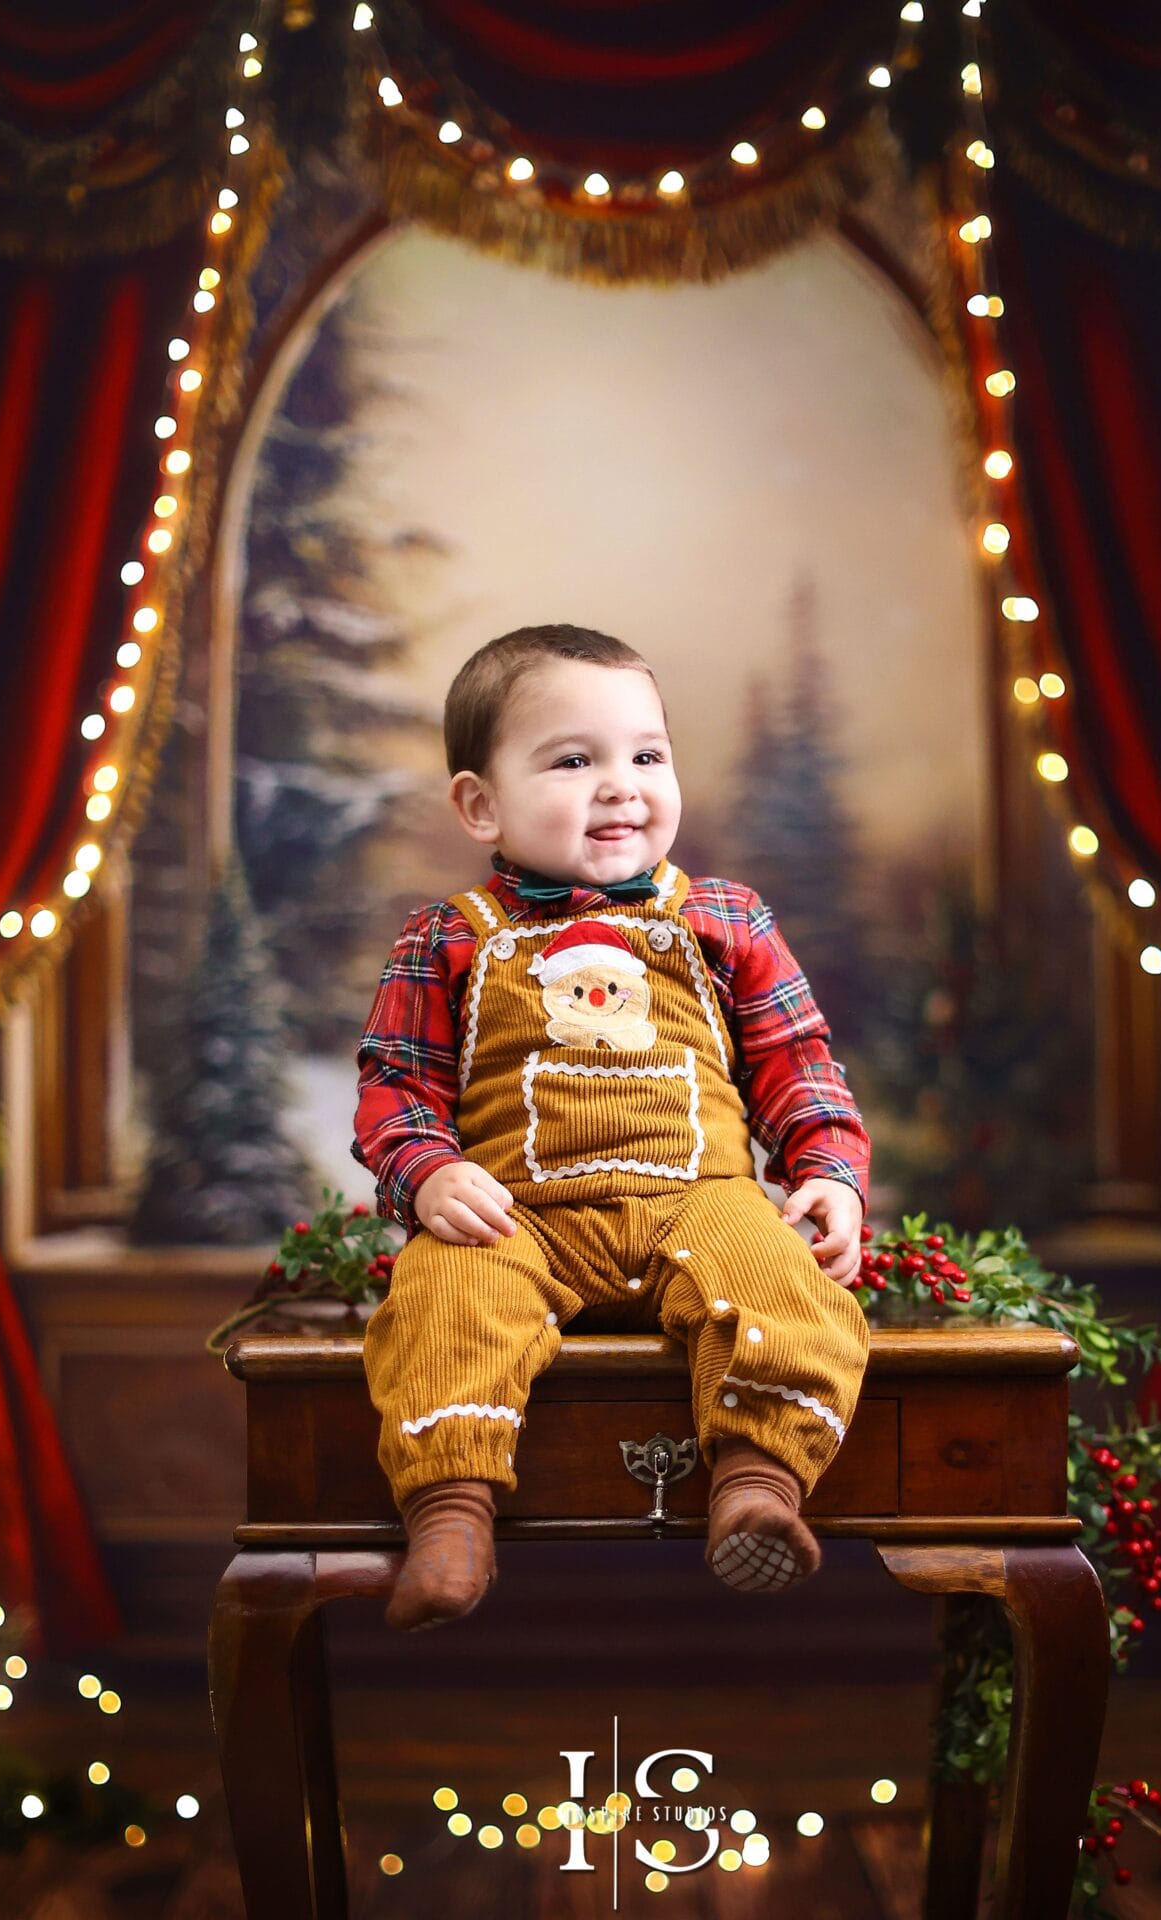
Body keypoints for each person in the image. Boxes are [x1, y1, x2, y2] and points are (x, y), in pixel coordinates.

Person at [353, 624, 871, 1631]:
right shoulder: (449, 937)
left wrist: (828, 1171)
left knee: (777, 1285)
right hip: (520, 1220)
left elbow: (795, 1063)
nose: (621, 786)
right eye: (574, 760)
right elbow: (396, 1086)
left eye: (646, 755)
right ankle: (451, 1515)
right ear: (480, 803)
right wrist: (427, 1174)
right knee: (441, 1296)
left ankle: (757, 1486)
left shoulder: (726, 920)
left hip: (701, 1203)